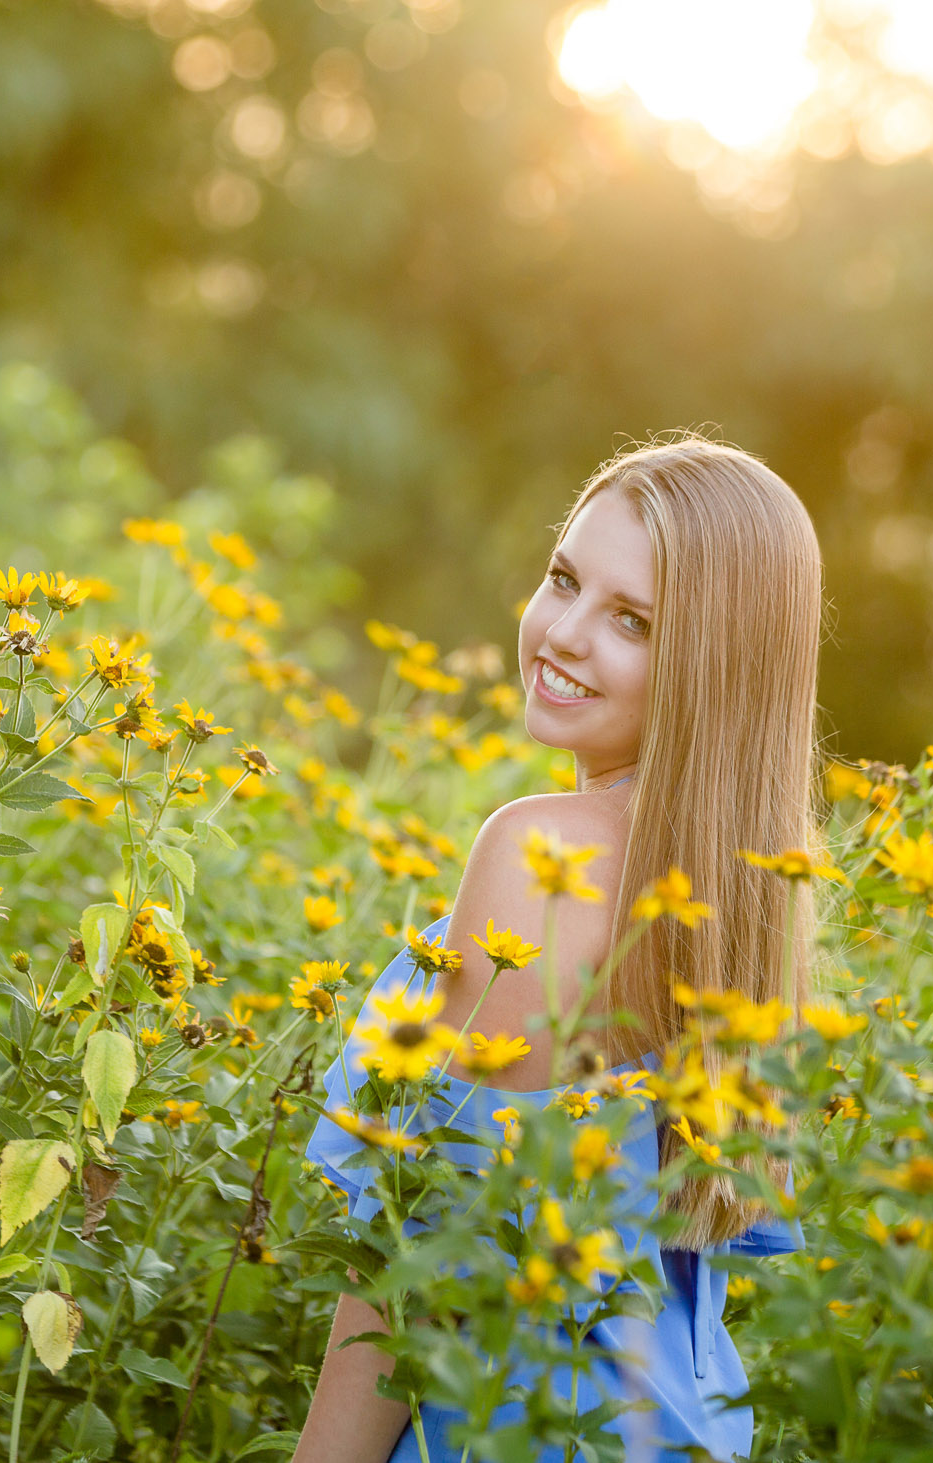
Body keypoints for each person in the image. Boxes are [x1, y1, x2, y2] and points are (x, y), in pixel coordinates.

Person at [291, 434, 826, 1463]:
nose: (562, 633)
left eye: (632, 620)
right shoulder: (747, 910)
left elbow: (425, 1253)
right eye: (563, 578)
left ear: (711, 667)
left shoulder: (542, 853)